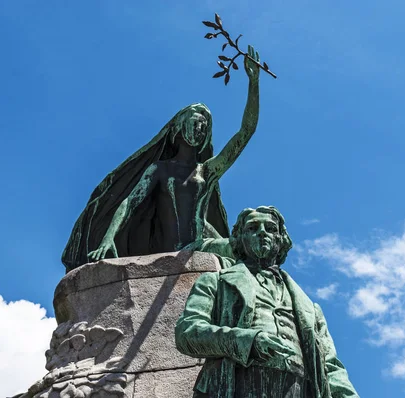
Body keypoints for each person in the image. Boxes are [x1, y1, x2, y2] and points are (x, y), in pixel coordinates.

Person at [62, 46, 262, 272]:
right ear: (178, 126)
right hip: (171, 250)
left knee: (250, 245)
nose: (200, 128)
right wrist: (108, 239)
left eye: (205, 127)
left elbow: (246, 132)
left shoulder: (207, 171)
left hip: (201, 245)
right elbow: (130, 202)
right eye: (196, 122)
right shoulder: (160, 170)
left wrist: (253, 83)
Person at [175, 206, 360, 398]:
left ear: (281, 240)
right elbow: (187, 333)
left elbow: (330, 366)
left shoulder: (310, 308)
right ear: (239, 239)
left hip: (301, 389)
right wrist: (248, 341)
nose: (262, 232)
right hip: (237, 384)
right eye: (252, 228)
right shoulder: (216, 281)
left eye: (271, 228)